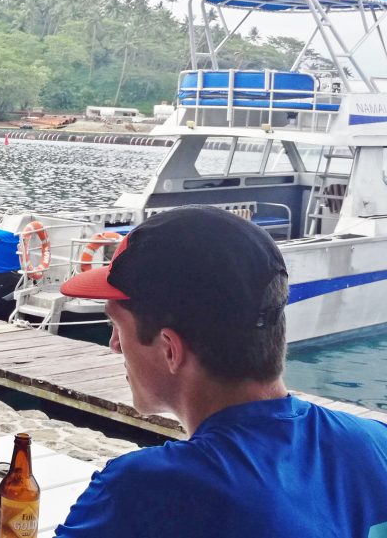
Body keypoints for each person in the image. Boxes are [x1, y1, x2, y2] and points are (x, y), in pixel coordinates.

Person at [53, 206, 387, 537]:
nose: (114, 345)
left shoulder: (144, 490)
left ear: (170, 349)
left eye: (117, 326)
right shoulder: (376, 444)